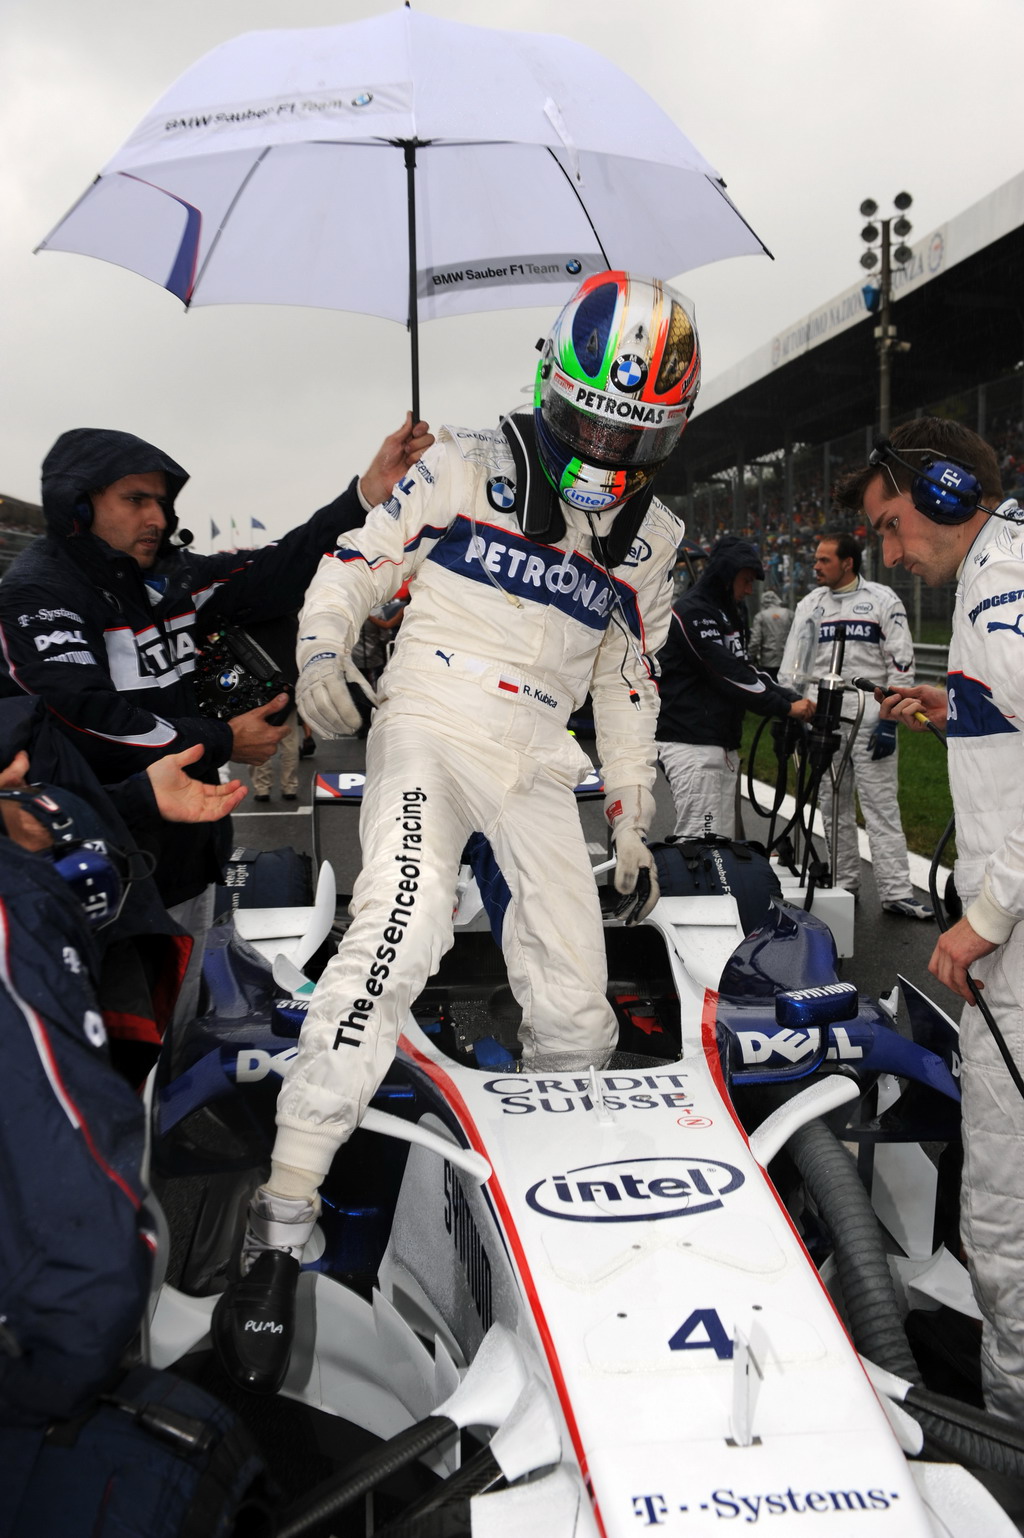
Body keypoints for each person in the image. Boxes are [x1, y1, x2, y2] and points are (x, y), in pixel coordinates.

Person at [212, 270, 700, 1393]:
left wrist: (629, 805)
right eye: (586, 419)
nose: (601, 448)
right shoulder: (468, 464)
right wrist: (326, 649)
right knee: (403, 926)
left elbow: (629, 674)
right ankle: (284, 1208)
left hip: (541, 752)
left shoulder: (654, 533)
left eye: (631, 432)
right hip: (431, 714)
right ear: (549, 384)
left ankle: (554, 1214)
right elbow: (353, 561)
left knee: (579, 1004)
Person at [0, 415, 433, 1022]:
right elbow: (81, 717)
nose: (156, 516)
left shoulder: (172, 580)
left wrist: (366, 494)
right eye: (135, 498)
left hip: (192, 856)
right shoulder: (38, 592)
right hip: (99, 875)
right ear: (78, 502)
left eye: (161, 499)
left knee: (178, 1034)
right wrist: (224, 737)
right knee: (123, 1064)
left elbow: (278, 571)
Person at [841, 417, 1024, 1421]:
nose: (891, 549)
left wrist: (985, 915)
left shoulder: (1000, 588)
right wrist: (949, 706)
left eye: (893, 522)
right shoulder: (1000, 577)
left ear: (949, 491)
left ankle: (1010, 1441)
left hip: (1020, 938)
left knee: (1001, 1218)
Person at [777, 531, 931, 919]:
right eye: (815, 559)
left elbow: (901, 661)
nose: (815, 566)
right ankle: (844, 883)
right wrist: (791, 709)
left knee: (880, 806)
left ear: (848, 562)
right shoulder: (810, 604)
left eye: (823, 560)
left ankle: (896, 891)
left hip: (869, 715)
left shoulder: (882, 600)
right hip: (821, 716)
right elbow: (793, 665)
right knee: (831, 805)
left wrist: (892, 720)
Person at [656, 537, 814, 839]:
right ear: (726, 576)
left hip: (720, 744)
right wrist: (784, 707)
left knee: (721, 851)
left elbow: (745, 669)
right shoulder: (692, 612)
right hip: (692, 746)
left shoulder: (728, 614)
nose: (749, 589)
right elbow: (726, 673)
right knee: (701, 851)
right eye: (745, 580)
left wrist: (792, 698)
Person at [748, 585, 793, 678]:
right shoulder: (789, 614)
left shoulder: (760, 616)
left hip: (768, 662)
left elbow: (755, 641)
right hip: (787, 660)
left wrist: (750, 657)